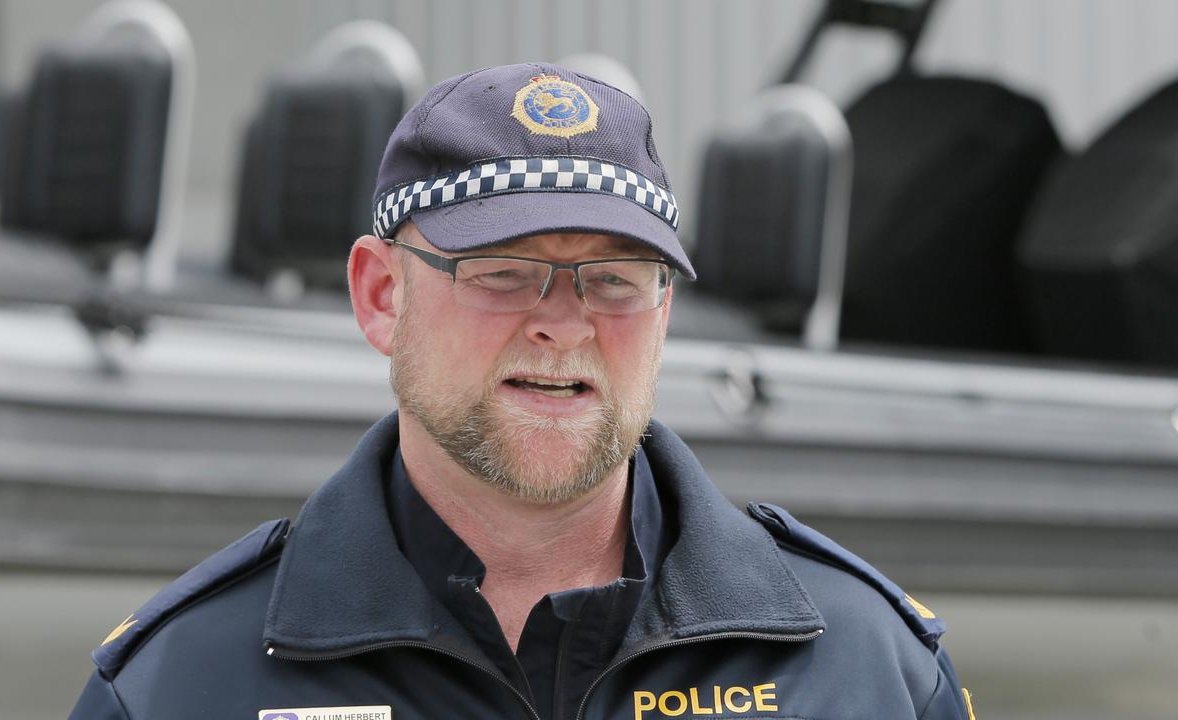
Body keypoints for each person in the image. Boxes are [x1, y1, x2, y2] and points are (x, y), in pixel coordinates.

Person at [70, 63, 976, 720]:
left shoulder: (869, 669)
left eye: (615, 279)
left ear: (663, 313)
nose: (565, 324)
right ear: (383, 296)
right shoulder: (176, 688)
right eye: (503, 272)